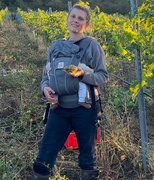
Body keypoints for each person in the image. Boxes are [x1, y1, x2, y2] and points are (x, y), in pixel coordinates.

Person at [31, 4, 108, 180]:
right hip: (59, 109)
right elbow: (46, 75)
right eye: (73, 16)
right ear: (67, 19)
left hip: (85, 110)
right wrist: (45, 89)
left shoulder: (92, 46)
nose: (76, 21)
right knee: (44, 156)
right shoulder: (56, 46)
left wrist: (82, 75)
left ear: (86, 24)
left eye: (81, 18)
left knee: (87, 159)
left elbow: (103, 76)